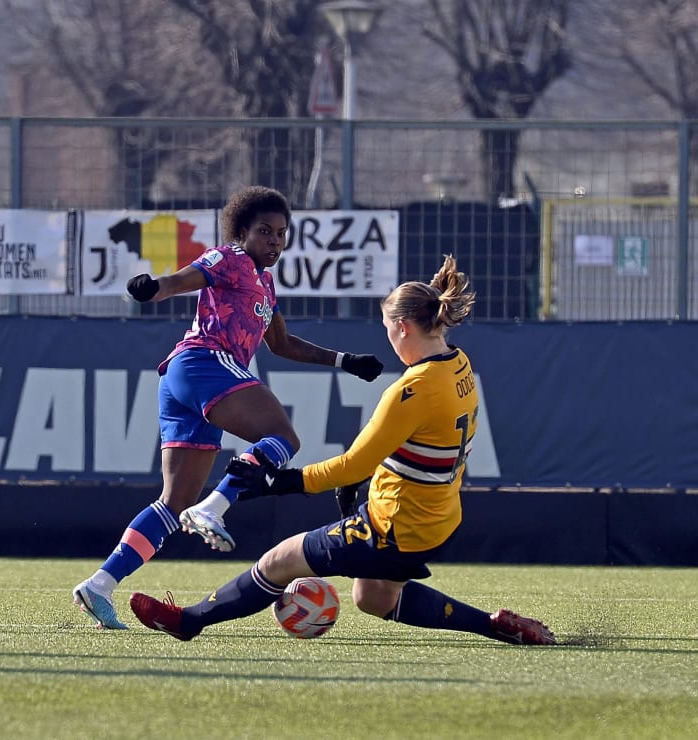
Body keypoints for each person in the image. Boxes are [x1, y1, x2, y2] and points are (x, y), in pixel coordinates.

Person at [129, 255, 557, 646]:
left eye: (389, 329)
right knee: (374, 596)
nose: (390, 339)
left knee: (279, 561)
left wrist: (279, 482)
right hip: (434, 516)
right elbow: (407, 450)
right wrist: (356, 486)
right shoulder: (459, 364)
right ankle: (497, 625)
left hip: (395, 524)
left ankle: (188, 620)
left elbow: (355, 462)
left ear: (403, 327)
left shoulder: (413, 390)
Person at [72, 185, 384, 630]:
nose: (274, 241)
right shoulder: (232, 258)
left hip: (185, 380)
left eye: (281, 233)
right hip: (204, 362)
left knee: (173, 500)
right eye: (265, 231)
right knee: (284, 439)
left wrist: (343, 360)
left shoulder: (265, 282)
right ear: (241, 232)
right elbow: (184, 279)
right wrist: (153, 288)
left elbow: (281, 343)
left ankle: (100, 584)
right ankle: (214, 509)